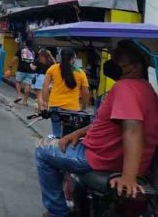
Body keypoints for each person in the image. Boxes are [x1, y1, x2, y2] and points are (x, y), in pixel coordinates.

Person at [35, 41, 158, 217]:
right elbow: (112, 124)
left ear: (136, 66)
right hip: (108, 154)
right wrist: (77, 133)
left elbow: (133, 130)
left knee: (42, 150)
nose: (112, 65)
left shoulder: (126, 88)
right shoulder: (146, 89)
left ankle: (57, 212)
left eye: (118, 60)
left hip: (99, 158)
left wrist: (129, 176)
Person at [40, 47, 90, 138]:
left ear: (61, 57)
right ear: (73, 58)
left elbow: (45, 86)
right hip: (72, 108)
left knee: (56, 134)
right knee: (69, 135)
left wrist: (45, 102)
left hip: (55, 106)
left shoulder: (53, 69)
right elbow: (86, 93)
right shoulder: (80, 72)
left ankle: (56, 143)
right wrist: (83, 107)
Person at [7, 40, 37, 105]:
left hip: (21, 70)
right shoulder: (34, 52)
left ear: (25, 43)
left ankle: (19, 95)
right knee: (28, 85)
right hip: (30, 71)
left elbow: (14, 59)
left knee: (18, 82)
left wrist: (10, 67)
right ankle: (25, 101)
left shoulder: (21, 50)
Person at [33, 48, 55, 114]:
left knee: (39, 96)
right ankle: (44, 109)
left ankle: (41, 111)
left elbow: (34, 67)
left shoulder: (40, 60)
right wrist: (50, 55)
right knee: (45, 96)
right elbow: (55, 64)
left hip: (40, 78)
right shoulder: (50, 61)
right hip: (48, 79)